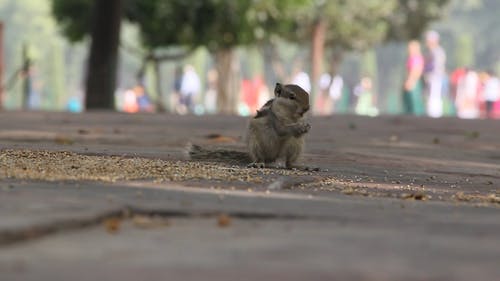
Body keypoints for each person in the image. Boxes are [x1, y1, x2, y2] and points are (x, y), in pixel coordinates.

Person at [424, 30, 446, 118]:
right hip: (431, 77)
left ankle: (434, 116)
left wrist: (424, 66)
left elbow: (434, 66)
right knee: (431, 96)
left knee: (434, 96)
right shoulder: (432, 51)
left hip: (435, 76)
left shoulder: (437, 51)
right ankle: (432, 114)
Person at [403, 40, 425, 115]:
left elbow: (416, 70)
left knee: (414, 103)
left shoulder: (416, 58)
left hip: (413, 81)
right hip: (411, 80)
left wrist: (411, 81)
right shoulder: (412, 57)